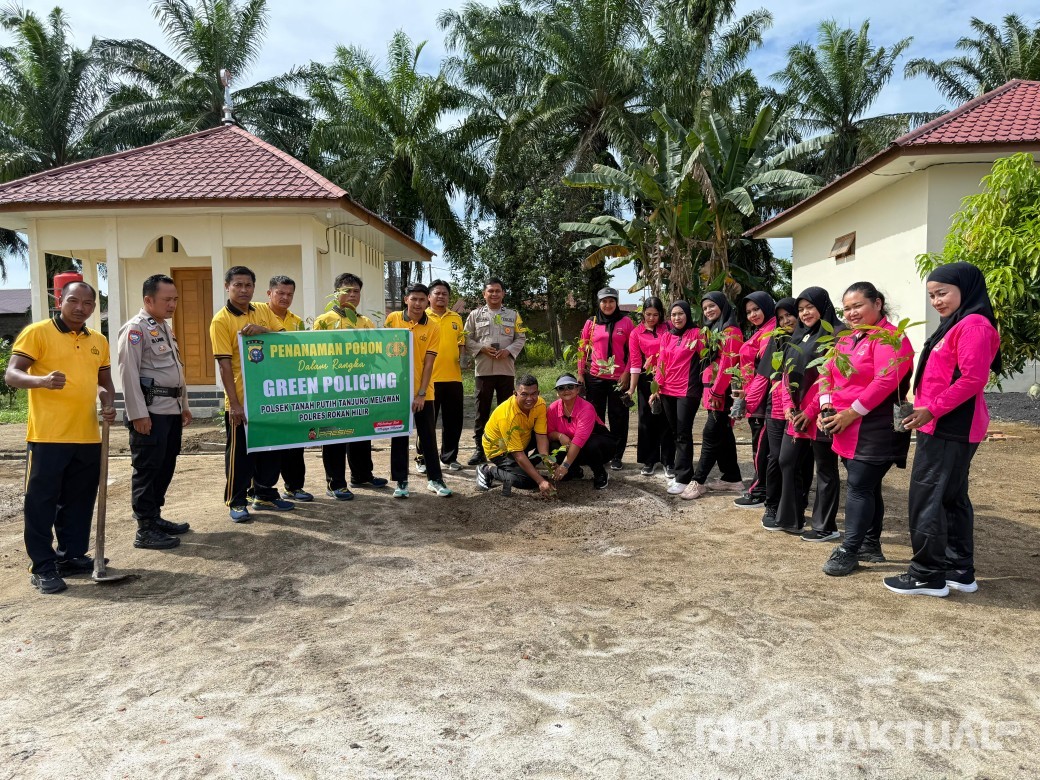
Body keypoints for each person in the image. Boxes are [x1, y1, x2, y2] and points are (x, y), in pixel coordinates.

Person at [884, 262, 1000, 597]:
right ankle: (959, 570)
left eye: (943, 293)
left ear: (965, 289)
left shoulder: (973, 325)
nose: (936, 301)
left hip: (951, 425)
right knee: (950, 497)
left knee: (928, 498)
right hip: (942, 423)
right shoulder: (956, 324)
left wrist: (931, 409)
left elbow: (974, 378)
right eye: (932, 295)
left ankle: (927, 574)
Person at [6, 281, 116, 594]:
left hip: (87, 436)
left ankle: (71, 556)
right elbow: (12, 374)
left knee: (79, 502)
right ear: (59, 300)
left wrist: (108, 403)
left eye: (87, 303)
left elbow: (104, 383)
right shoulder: (38, 332)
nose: (80, 307)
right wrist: (41, 380)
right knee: (41, 503)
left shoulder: (98, 340)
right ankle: (42, 565)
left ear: (94, 307)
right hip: (48, 436)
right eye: (73, 301)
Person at [815, 282, 914, 576]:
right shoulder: (847, 339)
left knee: (859, 485)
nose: (852, 313)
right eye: (846, 308)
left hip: (874, 425)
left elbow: (884, 381)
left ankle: (849, 550)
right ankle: (870, 544)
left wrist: (850, 413)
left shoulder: (892, 338)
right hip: (843, 423)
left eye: (858, 305)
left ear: (878, 303)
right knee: (867, 486)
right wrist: (825, 405)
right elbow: (825, 372)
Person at [209, 266, 293, 522]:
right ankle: (236, 500)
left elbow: (284, 337)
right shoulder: (221, 320)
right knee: (240, 455)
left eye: (248, 285)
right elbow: (224, 365)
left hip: (268, 397)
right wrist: (234, 404)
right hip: (241, 401)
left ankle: (265, 493)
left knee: (271, 450)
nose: (244, 290)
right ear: (227, 286)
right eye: (238, 285)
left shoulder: (263, 310)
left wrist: (263, 330)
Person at [117, 274, 193, 551]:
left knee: (166, 464)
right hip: (149, 412)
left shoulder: (164, 328)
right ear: (148, 300)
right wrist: (138, 414)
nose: (172, 304)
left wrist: (183, 405)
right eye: (167, 299)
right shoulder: (135, 330)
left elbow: (176, 371)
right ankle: (144, 528)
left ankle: (155, 517)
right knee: (147, 469)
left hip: (169, 411)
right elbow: (128, 375)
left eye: (175, 299)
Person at [773, 287, 843, 540]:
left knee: (825, 469)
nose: (804, 314)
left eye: (809, 308)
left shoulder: (836, 335)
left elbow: (830, 378)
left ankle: (825, 527)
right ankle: (791, 517)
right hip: (796, 412)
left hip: (820, 413)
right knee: (787, 460)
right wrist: (788, 405)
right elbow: (785, 374)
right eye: (800, 309)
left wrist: (810, 410)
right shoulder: (799, 336)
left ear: (823, 307)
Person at [313, 272, 389, 499]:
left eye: (356, 291)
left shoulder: (365, 322)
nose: (353, 295)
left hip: (359, 385)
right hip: (332, 387)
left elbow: (373, 354)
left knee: (361, 431)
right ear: (336, 293)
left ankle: (362, 475)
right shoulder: (324, 321)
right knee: (334, 434)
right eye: (347, 290)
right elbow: (316, 354)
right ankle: (335, 483)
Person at [745, 298, 812, 529]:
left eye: (789, 315)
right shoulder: (777, 338)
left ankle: (798, 505)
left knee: (800, 460)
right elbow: (764, 376)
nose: (786, 321)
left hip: (803, 408)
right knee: (775, 458)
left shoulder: (810, 339)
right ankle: (772, 505)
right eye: (781, 317)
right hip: (777, 407)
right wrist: (748, 404)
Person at [385, 283, 452, 498]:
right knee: (399, 435)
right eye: (413, 299)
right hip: (397, 390)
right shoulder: (393, 319)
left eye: (422, 300)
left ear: (427, 302)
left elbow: (429, 363)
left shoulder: (433, 326)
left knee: (428, 436)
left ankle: (435, 479)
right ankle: (401, 481)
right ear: (406, 299)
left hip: (424, 392)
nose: (417, 303)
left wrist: (421, 393)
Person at [255, 275, 313, 502]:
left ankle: (294, 486)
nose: (285, 298)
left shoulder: (296, 321)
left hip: (292, 390)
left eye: (290, 294)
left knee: (295, 443)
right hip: (265, 391)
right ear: (269, 293)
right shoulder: (258, 313)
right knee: (267, 445)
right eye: (280, 293)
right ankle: (259, 491)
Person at [685, 292, 744, 500]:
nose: (708, 310)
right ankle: (732, 478)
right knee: (724, 434)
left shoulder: (731, 331)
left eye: (712, 306)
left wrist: (717, 391)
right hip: (711, 388)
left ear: (722, 306)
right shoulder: (711, 330)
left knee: (710, 434)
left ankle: (698, 481)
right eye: (705, 307)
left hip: (722, 390)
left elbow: (728, 364)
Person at [464, 278, 527, 465]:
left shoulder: (514, 315)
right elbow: (466, 338)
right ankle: (479, 449)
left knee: (507, 411)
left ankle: (507, 449)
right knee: (481, 411)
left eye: (497, 291)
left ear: (503, 293)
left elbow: (521, 337)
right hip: (483, 370)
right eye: (490, 291)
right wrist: (482, 348)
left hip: (505, 370)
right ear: (484, 294)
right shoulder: (475, 315)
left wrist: (509, 351)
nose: (494, 294)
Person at [649, 302, 704, 496]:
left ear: (688, 314)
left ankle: (683, 477)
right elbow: (661, 362)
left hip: (687, 391)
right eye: (673, 314)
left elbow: (708, 359)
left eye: (681, 313)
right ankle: (682, 471)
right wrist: (655, 388)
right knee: (675, 432)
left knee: (683, 433)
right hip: (666, 391)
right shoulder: (666, 336)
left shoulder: (697, 334)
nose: (677, 318)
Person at [578, 287, 635, 470]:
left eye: (611, 301)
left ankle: (617, 455)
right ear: (599, 303)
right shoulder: (591, 323)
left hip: (619, 379)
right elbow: (582, 349)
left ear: (616, 302)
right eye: (604, 301)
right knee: (595, 417)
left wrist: (627, 373)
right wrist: (580, 373)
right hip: (595, 377)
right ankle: (599, 453)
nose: (608, 305)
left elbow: (634, 352)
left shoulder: (626, 322)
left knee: (619, 417)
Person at [731, 292, 776, 509]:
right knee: (760, 444)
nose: (752, 315)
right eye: (748, 312)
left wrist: (749, 399)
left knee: (762, 446)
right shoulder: (760, 331)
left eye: (756, 309)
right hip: (753, 395)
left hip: (762, 398)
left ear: (767, 307)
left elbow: (764, 373)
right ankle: (761, 485)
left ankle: (760, 490)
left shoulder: (770, 334)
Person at [416, 279, 465, 474]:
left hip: (454, 377)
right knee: (427, 422)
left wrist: (463, 356)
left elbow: (461, 340)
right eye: (437, 293)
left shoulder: (456, 318)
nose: (441, 296)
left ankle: (449, 457)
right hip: (429, 380)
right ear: (429, 297)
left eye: (444, 293)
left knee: (454, 421)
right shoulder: (422, 317)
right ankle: (422, 458)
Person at [475, 374, 553, 496]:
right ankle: (488, 471)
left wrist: (548, 462)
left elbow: (541, 436)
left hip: (522, 440)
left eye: (533, 394)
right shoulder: (507, 416)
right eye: (524, 394)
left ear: (538, 392)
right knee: (526, 481)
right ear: (515, 393)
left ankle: (524, 470)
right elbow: (518, 455)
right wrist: (541, 481)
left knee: (551, 440)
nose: (529, 398)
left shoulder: (540, 404)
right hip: (500, 450)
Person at [627, 297, 675, 477]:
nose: (652, 318)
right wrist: (632, 389)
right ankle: (649, 460)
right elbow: (635, 363)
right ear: (643, 314)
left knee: (667, 419)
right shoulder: (636, 333)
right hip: (646, 379)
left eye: (655, 314)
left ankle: (669, 461)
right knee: (646, 419)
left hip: (668, 376)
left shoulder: (669, 327)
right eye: (648, 314)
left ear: (661, 314)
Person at [546, 373, 616, 490]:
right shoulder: (552, 408)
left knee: (590, 444)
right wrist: (559, 435)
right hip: (572, 446)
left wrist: (564, 466)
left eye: (570, 386)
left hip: (599, 447)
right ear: (557, 392)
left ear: (577, 389)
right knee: (553, 445)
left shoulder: (586, 408)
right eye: (561, 388)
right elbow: (549, 433)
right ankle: (575, 471)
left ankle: (600, 473)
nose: (566, 390)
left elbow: (579, 441)